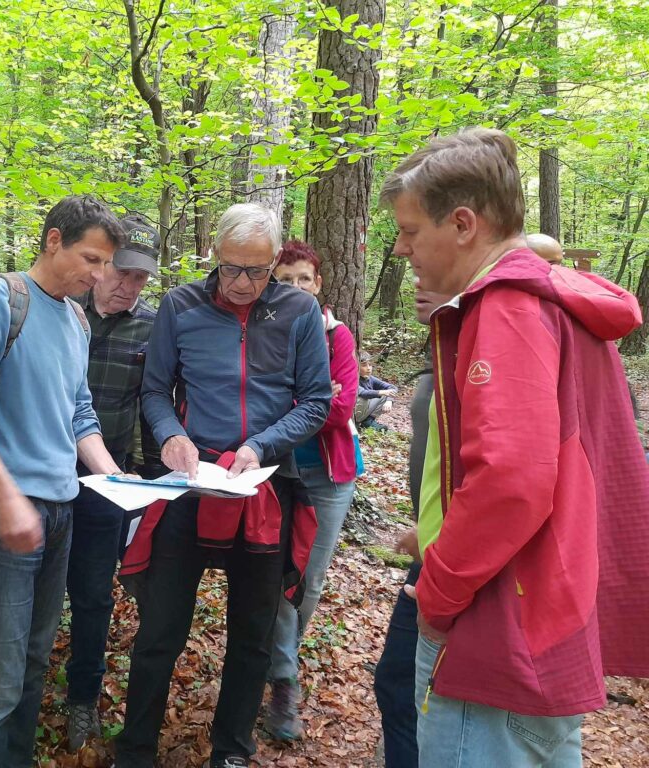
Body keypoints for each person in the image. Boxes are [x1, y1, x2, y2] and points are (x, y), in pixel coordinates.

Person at [380, 127, 649, 766]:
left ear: (465, 224)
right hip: (534, 608)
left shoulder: (507, 308)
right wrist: (435, 531)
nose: (402, 248)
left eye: (412, 230)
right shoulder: (539, 300)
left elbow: (513, 479)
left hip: (500, 621)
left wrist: (440, 593)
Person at [114, 203, 332, 768]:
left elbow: (316, 401)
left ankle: (232, 749)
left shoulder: (298, 311)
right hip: (190, 483)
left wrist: (261, 446)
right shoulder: (182, 305)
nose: (242, 284)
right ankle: (136, 749)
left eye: (256, 271)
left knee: (253, 634)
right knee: (160, 627)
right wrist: (169, 437)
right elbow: (156, 390)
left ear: (276, 261)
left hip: (264, 486)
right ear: (215, 256)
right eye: (232, 268)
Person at [0, 195, 127, 768]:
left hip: (60, 510)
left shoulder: (76, 319)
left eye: (105, 265)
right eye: (91, 260)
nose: (99, 276)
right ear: (53, 240)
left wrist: (120, 481)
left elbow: (79, 414)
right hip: (3, 510)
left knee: (31, 664)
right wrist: (6, 499)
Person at [64, 214, 161, 749]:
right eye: (120, 272)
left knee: (95, 593)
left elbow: (155, 403)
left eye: (140, 278)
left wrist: (148, 483)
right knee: (30, 587)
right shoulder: (60, 310)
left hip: (111, 479)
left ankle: (82, 697)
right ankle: (19, 687)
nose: (127, 287)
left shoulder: (151, 327)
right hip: (44, 472)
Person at [265, 240, 363, 740]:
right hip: (277, 472)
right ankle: (284, 683)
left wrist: (297, 400)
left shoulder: (337, 335)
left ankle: (281, 659)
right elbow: (263, 402)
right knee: (283, 575)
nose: (295, 288)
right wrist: (315, 398)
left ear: (318, 285)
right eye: (285, 281)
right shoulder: (263, 331)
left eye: (304, 279)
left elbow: (342, 411)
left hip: (328, 474)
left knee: (311, 581)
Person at [372, 280, 449, 768]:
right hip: (434, 548)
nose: (416, 279)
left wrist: (439, 532)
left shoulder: (491, 342)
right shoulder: (443, 343)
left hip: (454, 554)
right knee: (400, 682)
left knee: (408, 683)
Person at [356, 352, 398, 430]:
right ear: (356, 366)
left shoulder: (370, 378)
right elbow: (363, 393)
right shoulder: (353, 378)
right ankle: (357, 423)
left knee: (385, 395)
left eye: (370, 365)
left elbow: (393, 387)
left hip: (363, 410)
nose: (368, 368)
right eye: (364, 365)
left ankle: (368, 421)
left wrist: (389, 400)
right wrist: (382, 392)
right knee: (365, 397)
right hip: (353, 412)